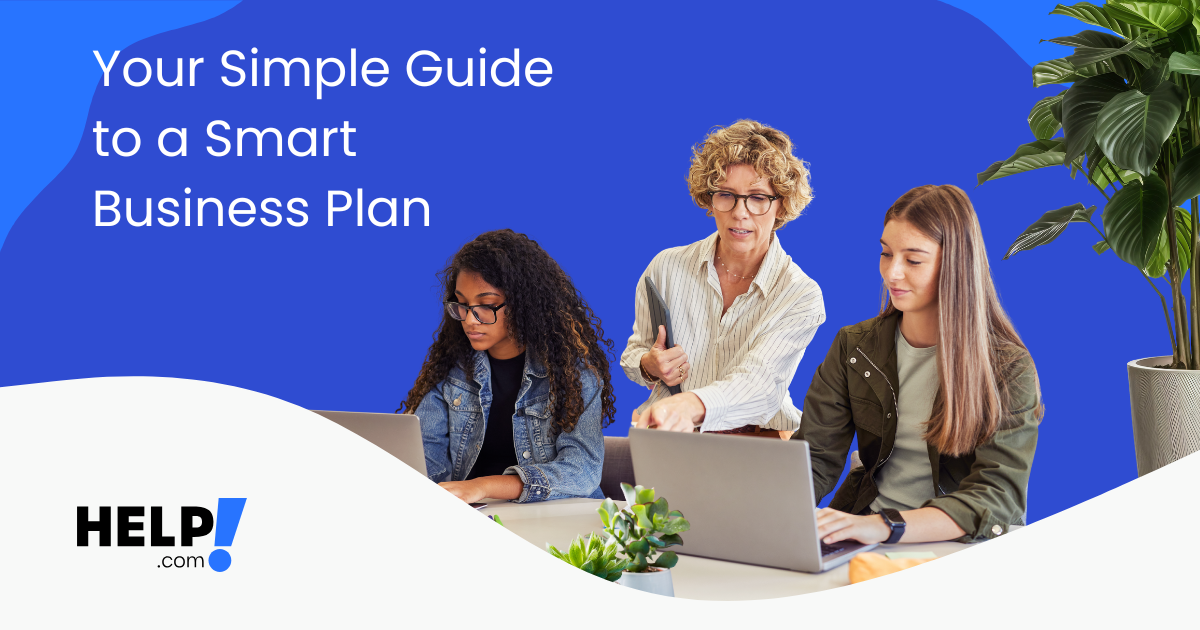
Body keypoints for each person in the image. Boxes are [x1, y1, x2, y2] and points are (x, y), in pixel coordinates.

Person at [797, 184, 1042, 545]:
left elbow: (997, 496)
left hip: (953, 546)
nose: (892, 273)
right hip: (862, 539)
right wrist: (771, 515)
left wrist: (884, 525)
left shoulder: (1007, 368)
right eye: (885, 254)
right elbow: (814, 459)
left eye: (913, 260)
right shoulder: (854, 346)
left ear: (956, 264)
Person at [622, 120, 825, 436]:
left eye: (758, 197)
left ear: (781, 204)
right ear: (709, 197)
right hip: (674, 435)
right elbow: (635, 354)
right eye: (726, 194)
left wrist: (691, 405)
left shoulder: (800, 294)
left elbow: (759, 384)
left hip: (760, 440)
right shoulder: (665, 267)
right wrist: (650, 364)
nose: (740, 212)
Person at [399, 229, 616, 503]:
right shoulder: (449, 369)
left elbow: (581, 470)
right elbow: (425, 458)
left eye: (486, 305)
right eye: (462, 305)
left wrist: (483, 486)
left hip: (557, 517)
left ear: (524, 304)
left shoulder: (573, 374)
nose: (469, 320)